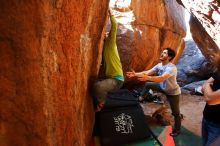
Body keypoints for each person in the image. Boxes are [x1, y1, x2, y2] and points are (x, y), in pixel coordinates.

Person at [126, 48, 182, 137]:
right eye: (162, 52)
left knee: (176, 113)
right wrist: (135, 74)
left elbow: (161, 78)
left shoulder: (172, 68)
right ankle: (141, 98)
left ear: (169, 57)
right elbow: (147, 72)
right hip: (163, 87)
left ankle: (177, 130)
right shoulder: (159, 65)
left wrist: (147, 77)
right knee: (148, 84)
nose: (162, 54)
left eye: (164, 53)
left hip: (173, 92)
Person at [93, 9, 124, 112]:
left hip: (117, 80)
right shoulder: (104, 46)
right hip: (110, 77)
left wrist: (111, 13)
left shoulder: (110, 43)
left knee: (98, 87)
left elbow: (114, 27)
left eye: (106, 33)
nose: (105, 34)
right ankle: (102, 95)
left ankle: (101, 103)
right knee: (94, 84)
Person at [201, 53, 220, 146]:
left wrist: (207, 86)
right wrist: (207, 86)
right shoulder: (218, 72)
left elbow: (209, 99)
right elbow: (203, 87)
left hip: (217, 124)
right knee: (204, 143)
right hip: (207, 116)